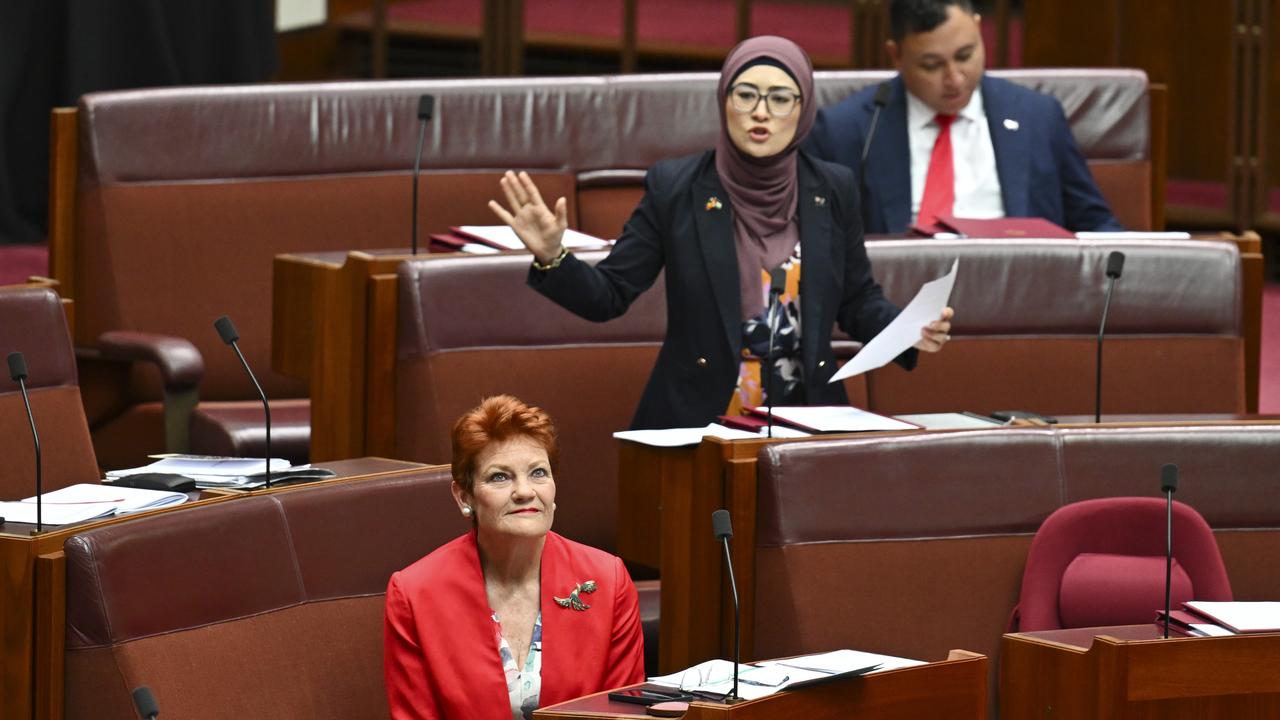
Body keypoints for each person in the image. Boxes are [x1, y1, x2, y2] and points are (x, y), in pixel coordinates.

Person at [489, 36, 953, 430]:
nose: (761, 112)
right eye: (745, 94)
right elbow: (610, 294)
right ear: (723, 101)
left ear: (803, 107)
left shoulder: (831, 188)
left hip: (809, 417)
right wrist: (554, 257)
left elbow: (855, 300)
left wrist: (909, 329)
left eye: (779, 98)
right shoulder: (677, 188)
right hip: (700, 419)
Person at [384, 395, 645, 719]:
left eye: (538, 473)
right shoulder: (415, 594)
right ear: (464, 497)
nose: (524, 491)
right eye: (500, 477)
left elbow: (622, 713)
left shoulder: (608, 580)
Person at [807, 0, 1123, 234]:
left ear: (976, 27)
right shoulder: (847, 130)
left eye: (965, 55)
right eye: (931, 65)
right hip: (898, 305)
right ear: (896, 55)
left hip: (1020, 300)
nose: (955, 79)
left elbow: (1096, 225)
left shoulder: (1038, 117)